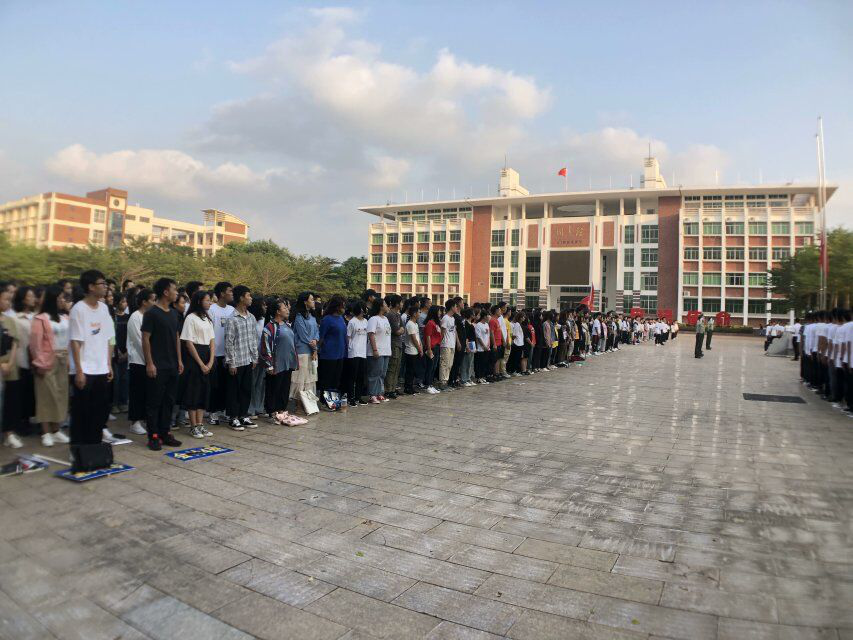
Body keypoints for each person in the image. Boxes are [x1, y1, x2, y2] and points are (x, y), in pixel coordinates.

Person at [68, 270, 115, 451]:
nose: (105, 287)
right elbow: (75, 342)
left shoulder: (103, 308)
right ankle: (78, 448)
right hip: (84, 369)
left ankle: (94, 447)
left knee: (99, 410)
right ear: (90, 287)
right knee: (81, 411)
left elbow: (109, 337)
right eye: (102, 284)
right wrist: (79, 371)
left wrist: (109, 364)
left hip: (101, 368)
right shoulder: (78, 309)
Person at [141, 277, 183, 450]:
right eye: (174, 290)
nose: (176, 293)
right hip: (157, 365)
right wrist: (149, 363)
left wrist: (179, 360)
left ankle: (165, 432)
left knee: (169, 401)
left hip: (172, 364)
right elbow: (145, 339)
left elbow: (176, 337)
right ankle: (153, 435)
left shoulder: (173, 313)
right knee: (154, 402)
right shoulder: (151, 313)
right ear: (165, 292)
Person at [29, 285, 71, 447]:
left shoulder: (64, 317)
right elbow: (35, 345)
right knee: (46, 396)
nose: (62, 301)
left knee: (60, 394)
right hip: (47, 360)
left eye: (63, 298)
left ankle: (56, 429)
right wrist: (39, 362)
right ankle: (46, 431)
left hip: (63, 359)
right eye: (60, 298)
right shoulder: (40, 319)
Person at [261, 298, 305, 426]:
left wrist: (295, 362)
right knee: (273, 389)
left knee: (284, 389)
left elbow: (292, 344)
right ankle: (272, 412)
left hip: (288, 364)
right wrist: (269, 365)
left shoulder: (287, 325)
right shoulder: (269, 327)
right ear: (277, 311)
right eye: (284, 308)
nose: (287, 310)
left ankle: (282, 411)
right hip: (276, 365)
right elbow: (265, 347)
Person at [181, 290, 215, 439]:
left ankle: (200, 424)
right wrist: (201, 364)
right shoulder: (190, 318)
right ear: (199, 301)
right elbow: (188, 342)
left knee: (203, 392)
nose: (210, 302)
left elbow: (212, 340)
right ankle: (193, 426)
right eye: (207, 300)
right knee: (193, 392)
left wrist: (211, 361)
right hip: (194, 357)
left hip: (207, 355)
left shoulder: (207, 318)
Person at [224, 285, 259, 430]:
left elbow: (253, 338)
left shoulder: (251, 317)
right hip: (237, 361)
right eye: (248, 295)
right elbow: (229, 342)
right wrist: (231, 362)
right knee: (234, 390)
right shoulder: (232, 318)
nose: (251, 298)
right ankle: (233, 417)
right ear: (241, 298)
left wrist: (255, 357)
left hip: (248, 360)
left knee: (246, 389)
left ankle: (243, 415)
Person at [127, 288, 154, 435]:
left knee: (146, 392)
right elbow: (139, 341)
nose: (154, 302)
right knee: (137, 392)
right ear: (144, 302)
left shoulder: (150, 316)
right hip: (138, 360)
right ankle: (135, 421)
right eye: (152, 300)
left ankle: (143, 418)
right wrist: (150, 359)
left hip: (150, 360)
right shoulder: (135, 317)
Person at [207, 281, 234, 425]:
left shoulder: (232, 310)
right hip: (215, 354)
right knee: (214, 385)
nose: (232, 294)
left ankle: (223, 410)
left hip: (229, 354)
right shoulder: (212, 309)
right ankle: (213, 412)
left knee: (226, 384)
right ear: (222, 293)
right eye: (230, 291)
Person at [291, 291, 319, 407]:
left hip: (312, 351)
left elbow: (317, 331)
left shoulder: (312, 316)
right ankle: (299, 405)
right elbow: (303, 336)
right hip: (302, 351)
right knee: (301, 379)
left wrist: (315, 340)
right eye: (311, 299)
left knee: (310, 378)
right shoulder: (299, 317)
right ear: (305, 302)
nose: (314, 301)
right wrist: (314, 347)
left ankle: (308, 405)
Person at [0, 288, 20, 448]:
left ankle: (9, 433)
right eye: (5, 299)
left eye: (9, 299)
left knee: (11, 400)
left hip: (10, 365)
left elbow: (15, 343)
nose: (9, 302)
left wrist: (10, 363)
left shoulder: (10, 320)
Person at [317, 295, 347, 405]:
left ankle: (333, 401)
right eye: (343, 306)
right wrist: (317, 350)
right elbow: (321, 337)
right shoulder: (327, 319)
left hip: (340, 354)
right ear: (337, 306)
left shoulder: (341, 319)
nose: (344, 308)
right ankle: (325, 401)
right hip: (329, 354)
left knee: (336, 379)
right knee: (327, 379)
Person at [365, 297, 392, 403]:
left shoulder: (385, 319)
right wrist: (375, 349)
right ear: (380, 306)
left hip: (386, 350)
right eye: (385, 304)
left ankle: (379, 393)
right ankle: (372, 395)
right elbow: (371, 334)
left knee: (382, 373)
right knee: (375, 373)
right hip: (377, 350)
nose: (387, 306)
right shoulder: (373, 319)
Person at [343, 300, 368, 405]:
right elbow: (348, 336)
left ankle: (358, 397)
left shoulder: (366, 321)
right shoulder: (352, 322)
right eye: (364, 307)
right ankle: (351, 397)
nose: (366, 309)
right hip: (353, 352)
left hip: (363, 352)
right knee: (352, 376)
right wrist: (350, 348)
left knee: (361, 376)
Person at [246, 297, 267, 418]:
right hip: (253, 356)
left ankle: (259, 406)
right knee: (252, 383)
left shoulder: (264, 320)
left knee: (260, 384)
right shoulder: (251, 320)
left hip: (263, 357)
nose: (265, 307)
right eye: (263, 305)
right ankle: (250, 408)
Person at [384, 295, 404, 398]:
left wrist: (400, 330)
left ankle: (393, 388)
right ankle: (388, 389)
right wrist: (400, 330)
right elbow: (396, 331)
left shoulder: (398, 315)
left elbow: (402, 328)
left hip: (398, 344)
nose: (402, 304)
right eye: (401, 302)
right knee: (392, 367)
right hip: (393, 344)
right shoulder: (390, 315)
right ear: (397, 304)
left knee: (397, 367)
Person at [403, 300, 424, 395]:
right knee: (410, 370)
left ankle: (410, 386)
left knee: (413, 370)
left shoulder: (415, 324)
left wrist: (421, 347)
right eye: (419, 312)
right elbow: (413, 339)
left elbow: (418, 338)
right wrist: (419, 349)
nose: (420, 314)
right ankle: (407, 387)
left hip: (415, 350)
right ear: (414, 314)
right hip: (410, 350)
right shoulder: (410, 324)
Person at [438, 298, 459, 390]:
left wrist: (457, 342)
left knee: (450, 364)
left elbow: (454, 331)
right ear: (451, 307)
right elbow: (442, 332)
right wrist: (440, 343)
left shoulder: (453, 318)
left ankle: (446, 381)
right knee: (444, 363)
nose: (457, 308)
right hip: (445, 344)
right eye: (455, 306)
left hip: (452, 344)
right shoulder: (445, 318)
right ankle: (442, 382)